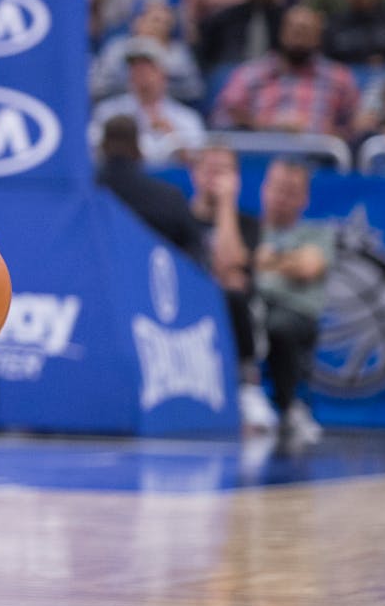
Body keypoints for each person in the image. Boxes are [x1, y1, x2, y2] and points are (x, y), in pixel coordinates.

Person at [187, 143, 274, 432]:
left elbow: (230, 264)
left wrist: (226, 205)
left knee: (234, 289)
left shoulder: (248, 224)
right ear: (194, 173)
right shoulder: (176, 217)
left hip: (232, 316)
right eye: (209, 169)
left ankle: (246, 385)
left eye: (223, 171)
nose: (215, 178)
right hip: (184, 312)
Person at [255, 158, 333, 446]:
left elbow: (308, 267)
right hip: (254, 310)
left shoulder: (318, 233)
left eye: (291, 191)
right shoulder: (250, 227)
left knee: (279, 327)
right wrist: (286, 261)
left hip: (296, 313)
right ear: (264, 189)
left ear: (304, 198)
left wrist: (265, 260)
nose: (282, 198)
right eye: (278, 189)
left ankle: (289, 408)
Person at [211, 5, 361, 138]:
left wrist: (316, 132)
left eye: (305, 30)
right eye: (294, 30)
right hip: (260, 156)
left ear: (318, 37)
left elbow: (353, 130)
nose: (299, 37)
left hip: (319, 159)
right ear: (282, 33)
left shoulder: (339, 78)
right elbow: (221, 120)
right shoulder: (250, 73)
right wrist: (261, 125)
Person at [94, 115, 204, 259]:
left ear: (102, 148)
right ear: (138, 150)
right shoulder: (168, 197)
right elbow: (194, 250)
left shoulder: (86, 195)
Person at [91, 39, 205, 164]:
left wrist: (172, 136)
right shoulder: (109, 111)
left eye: (148, 68)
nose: (141, 74)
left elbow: (198, 162)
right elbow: (94, 149)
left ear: (163, 74)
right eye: (135, 68)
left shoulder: (186, 117)